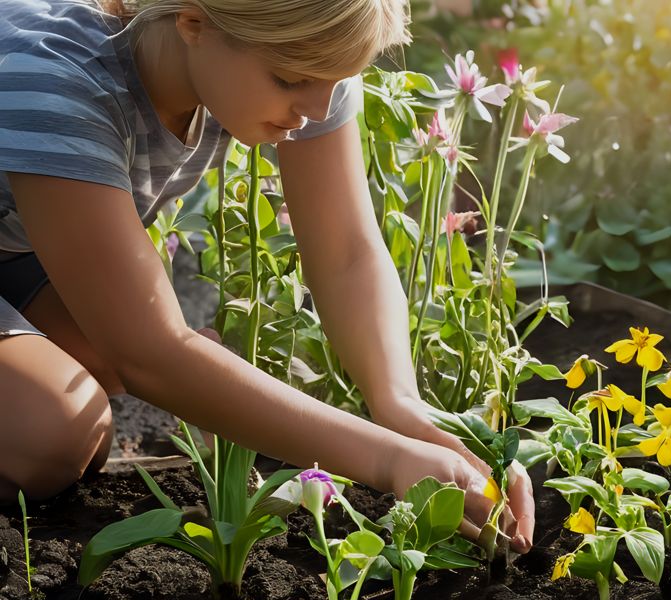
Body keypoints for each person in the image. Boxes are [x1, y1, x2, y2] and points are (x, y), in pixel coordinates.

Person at [0, 0, 534, 552]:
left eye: (338, 81)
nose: (316, 109)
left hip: (14, 247)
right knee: (53, 436)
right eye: (290, 79)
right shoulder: (59, 81)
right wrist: (388, 459)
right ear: (193, 23)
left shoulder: (305, 69)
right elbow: (151, 351)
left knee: (124, 365)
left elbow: (347, 253)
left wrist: (403, 409)